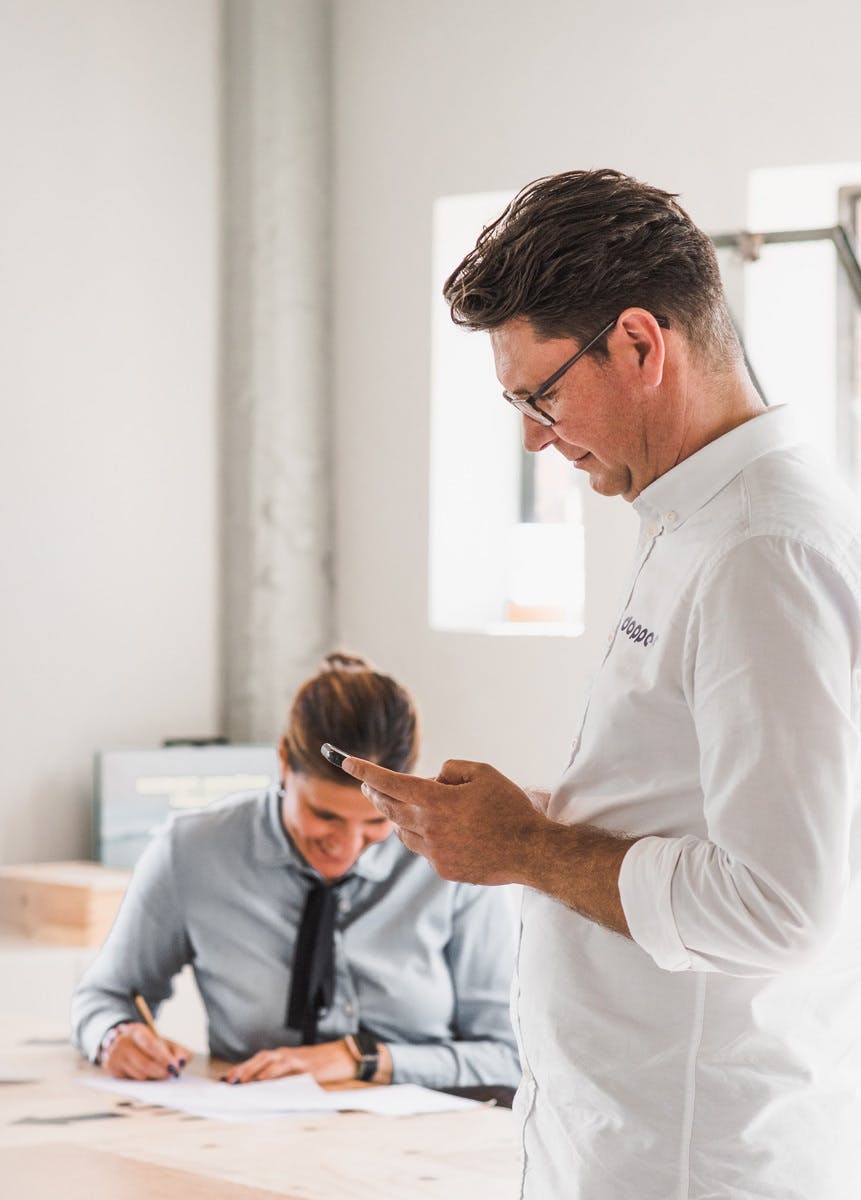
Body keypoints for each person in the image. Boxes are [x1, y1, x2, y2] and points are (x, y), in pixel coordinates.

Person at [341, 171, 861, 1198]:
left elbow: (779, 909)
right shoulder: (698, 520)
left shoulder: (762, 548)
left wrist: (526, 847)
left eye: (540, 396)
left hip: (693, 1159)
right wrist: (535, 814)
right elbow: (696, 806)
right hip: (625, 1140)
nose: (534, 436)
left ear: (637, 342)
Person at [71, 653, 519, 1091]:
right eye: (324, 816)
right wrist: (114, 1035)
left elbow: (510, 1057)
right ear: (284, 763)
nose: (344, 847)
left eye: (375, 822)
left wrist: (363, 1060)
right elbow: (104, 997)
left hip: (429, 1147)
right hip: (250, 1137)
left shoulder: (456, 866)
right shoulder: (191, 851)